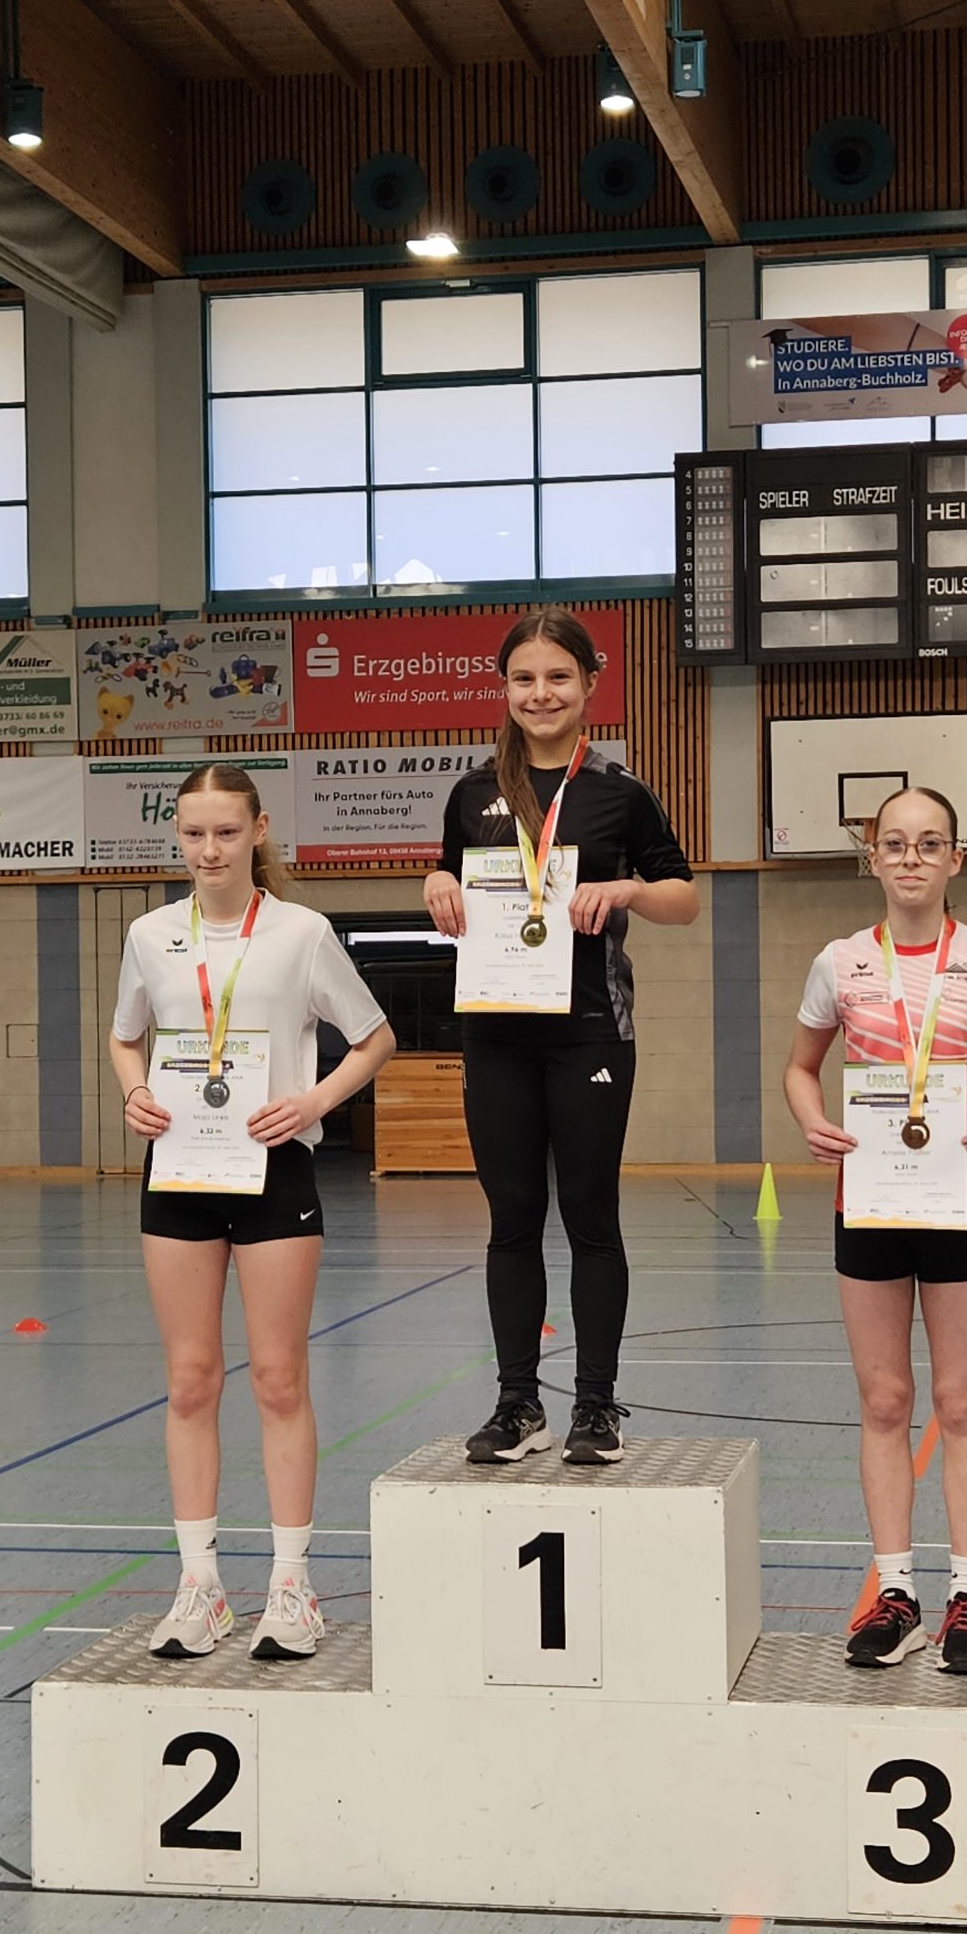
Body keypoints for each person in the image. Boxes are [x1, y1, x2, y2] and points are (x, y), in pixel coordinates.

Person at [111, 763, 395, 1662]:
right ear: (178, 836)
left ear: (259, 831)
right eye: (194, 833)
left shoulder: (302, 934)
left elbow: (375, 1037)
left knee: (278, 1379)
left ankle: (291, 1587)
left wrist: (314, 1102)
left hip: (275, 1172)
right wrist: (133, 1093)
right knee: (191, 1381)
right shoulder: (151, 935)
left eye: (226, 832)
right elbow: (125, 1036)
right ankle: (200, 1587)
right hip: (179, 1173)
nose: (209, 850)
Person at [782, 787, 967, 1674]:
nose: (910, 857)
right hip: (868, 1200)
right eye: (894, 843)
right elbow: (800, 1068)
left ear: (954, 859)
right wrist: (811, 1119)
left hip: (959, 1199)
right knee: (885, 1401)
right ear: (872, 858)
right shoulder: (839, 962)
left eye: (929, 843)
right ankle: (894, 1595)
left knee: (961, 1402)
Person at [425, 608, 698, 1467]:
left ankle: (596, 1406)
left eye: (557, 677)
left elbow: (684, 895)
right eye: (524, 679)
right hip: (495, 1034)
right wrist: (435, 881)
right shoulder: (473, 793)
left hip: (589, 1035)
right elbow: (449, 873)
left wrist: (628, 891)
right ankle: (518, 1404)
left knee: (590, 1215)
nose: (540, 694)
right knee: (511, 1219)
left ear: (589, 684)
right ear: (504, 688)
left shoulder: (621, 791)